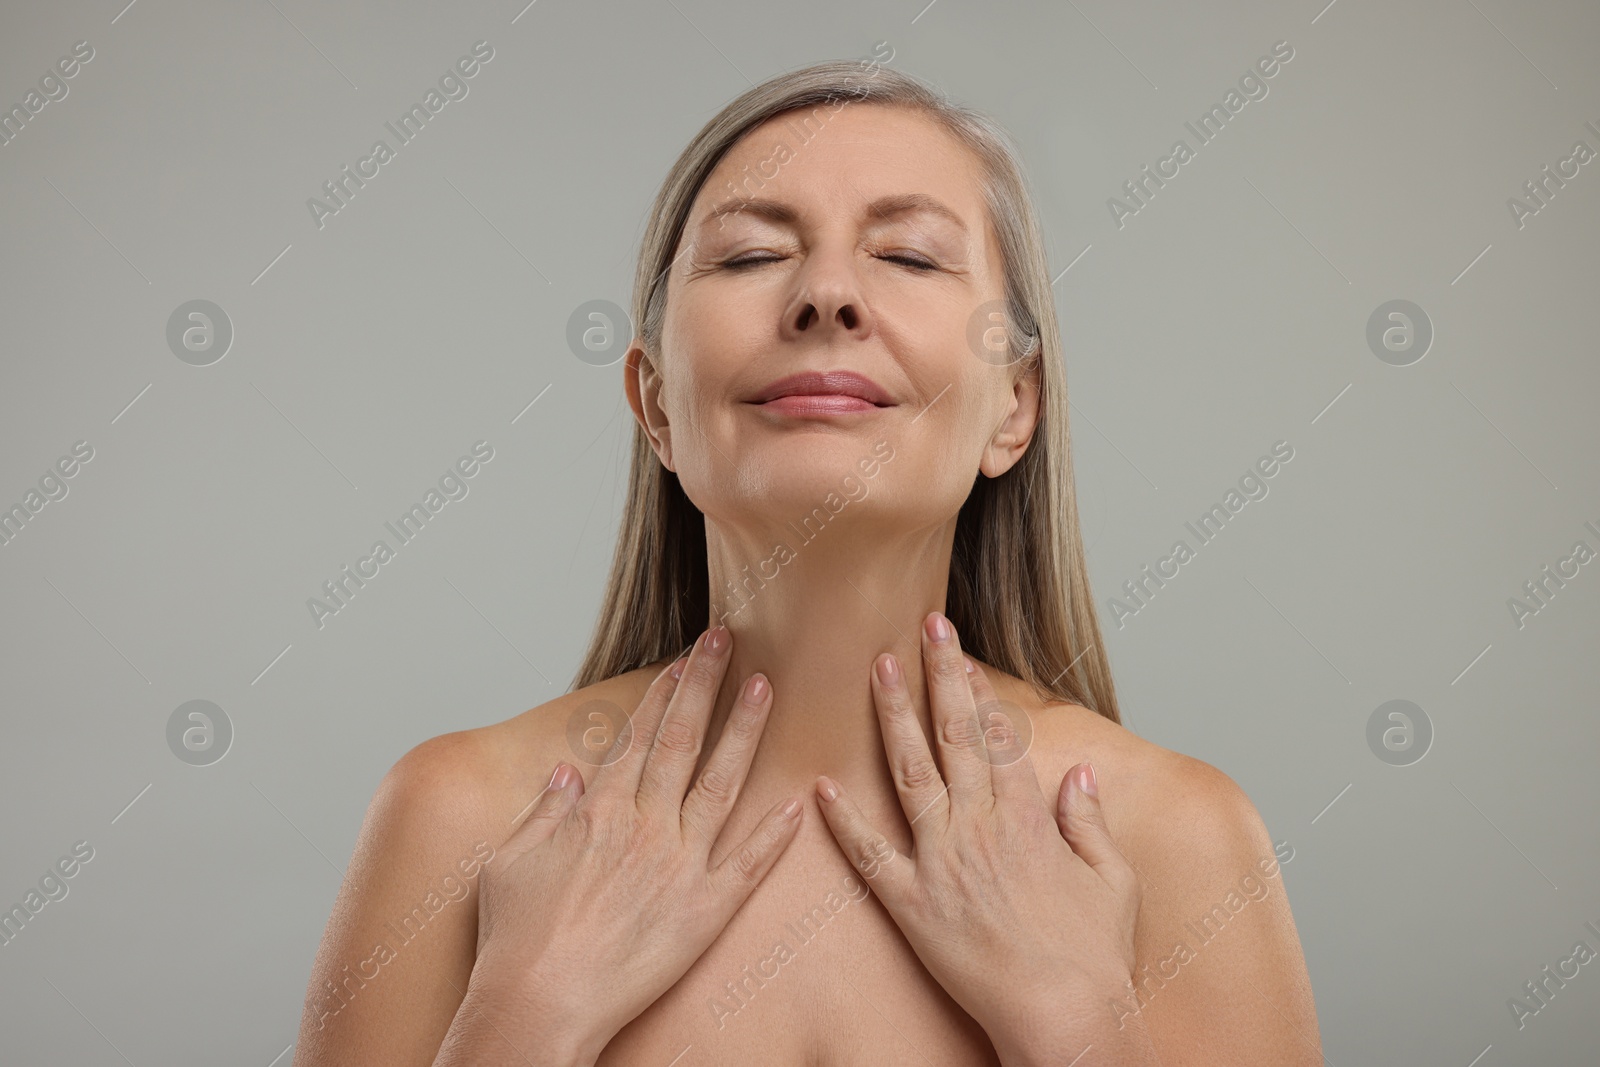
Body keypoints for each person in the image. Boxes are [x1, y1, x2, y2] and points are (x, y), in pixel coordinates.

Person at [294, 59, 1320, 1066]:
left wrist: (1072, 1022)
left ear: (1013, 405)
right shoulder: (459, 824)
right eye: (746, 257)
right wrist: (526, 1019)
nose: (825, 293)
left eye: (910, 257)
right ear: (655, 403)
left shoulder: (1174, 841)